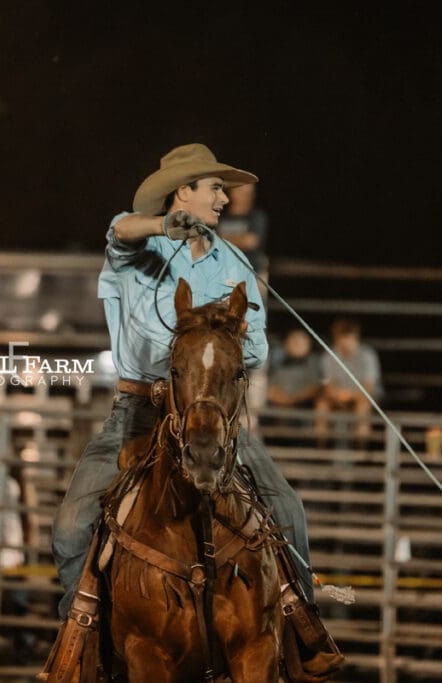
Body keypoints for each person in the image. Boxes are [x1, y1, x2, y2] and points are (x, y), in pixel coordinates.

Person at [50, 143, 314, 626]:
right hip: (137, 412)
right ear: (183, 192)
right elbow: (119, 228)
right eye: (215, 188)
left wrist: (208, 344)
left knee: (288, 509)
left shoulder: (234, 264)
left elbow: (257, 350)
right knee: (70, 527)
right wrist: (161, 226)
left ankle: (302, 629)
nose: (224, 199)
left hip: (213, 417)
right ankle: (82, 633)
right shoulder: (139, 247)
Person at [314, 317, 381, 448]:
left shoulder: (368, 355)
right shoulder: (328, 356)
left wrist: (350, 395)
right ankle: (321, 446)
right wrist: (338, 395)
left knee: (362, 405)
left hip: (362, 397)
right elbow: (327, 385)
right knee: (322, 404)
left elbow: (369, 386)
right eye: (342, 338)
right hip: (337, 397)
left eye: (349, 337)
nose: (346, 342)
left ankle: (361, 448)